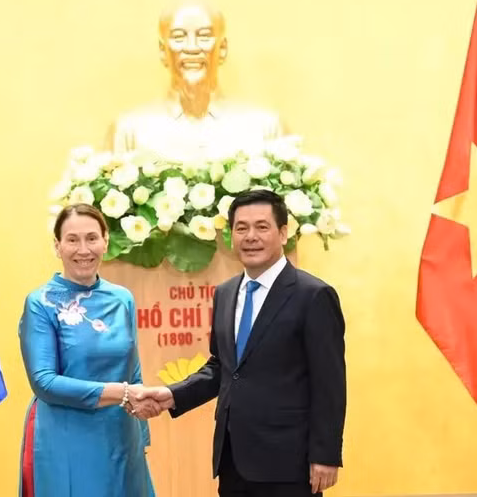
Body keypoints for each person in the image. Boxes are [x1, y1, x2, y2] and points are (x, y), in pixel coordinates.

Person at [137, 190, 347, 496]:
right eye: (241, 228)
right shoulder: (225, 293)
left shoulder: (313, 295)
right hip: (233, 459)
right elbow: (222, 367)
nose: (251, 236)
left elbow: (330, 383)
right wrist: (171, 394)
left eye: (262, 227)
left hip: (290, 463)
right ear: (231, 234)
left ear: (284, 233)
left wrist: (325, 455)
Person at [18, 203, 157, 497]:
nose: (84, 249)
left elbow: (132, 369)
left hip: (122, 434)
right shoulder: (40, 303)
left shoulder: (122, 298)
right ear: (57, 246)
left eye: (92, 238)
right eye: (72, 240)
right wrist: (122, 393)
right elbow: (44, 382)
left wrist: (140, 436)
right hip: (66, 436)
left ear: (106, 241)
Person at [108, 0, 284, 163]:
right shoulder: (132, 129)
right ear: (163, 51)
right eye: (178, 37)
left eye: (204, 36)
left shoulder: (263, 126)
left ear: (222, 49)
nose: (191, 48)